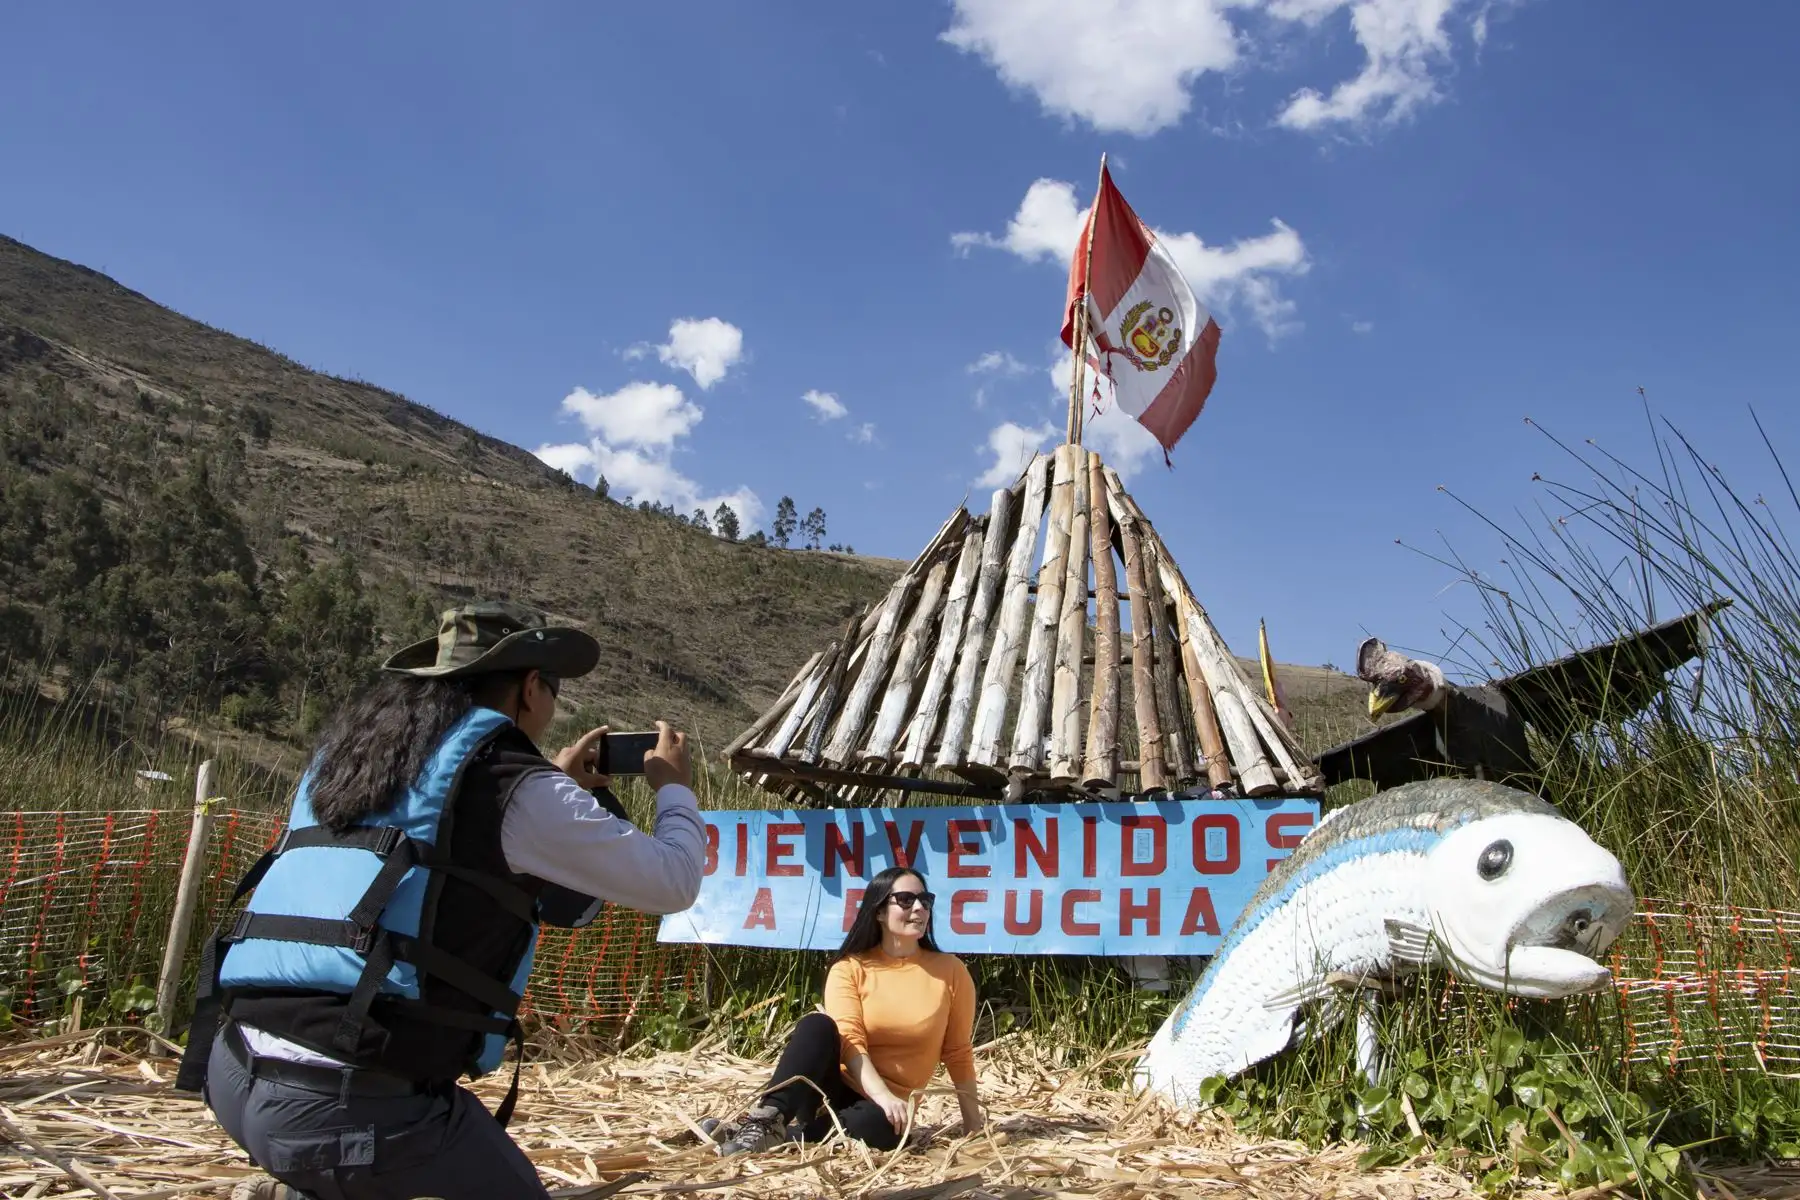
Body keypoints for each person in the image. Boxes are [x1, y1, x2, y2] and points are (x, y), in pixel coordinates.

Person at [176, 600, 707, 1199]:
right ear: (531, 688)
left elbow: (553, 899)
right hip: (347, 1107)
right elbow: (674, 881)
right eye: (552, 690)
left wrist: (563, 787)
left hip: (233, 1068)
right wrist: (673, 788)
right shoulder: (511, 780)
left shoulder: (351, 764)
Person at [706, 866, 985, 1156]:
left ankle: (779, 1136)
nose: (918, 908)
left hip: (884, 1111)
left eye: (924, 900)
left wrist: (973, 1127)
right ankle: (765, 1122)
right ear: (878, 912)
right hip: (831, 1091)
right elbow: (850, 1040)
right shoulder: (849, 968)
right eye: (905, 900)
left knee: (881, 1126)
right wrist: (881, 1094)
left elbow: (957, 1052)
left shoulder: (950, 972)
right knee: (818, 1025)